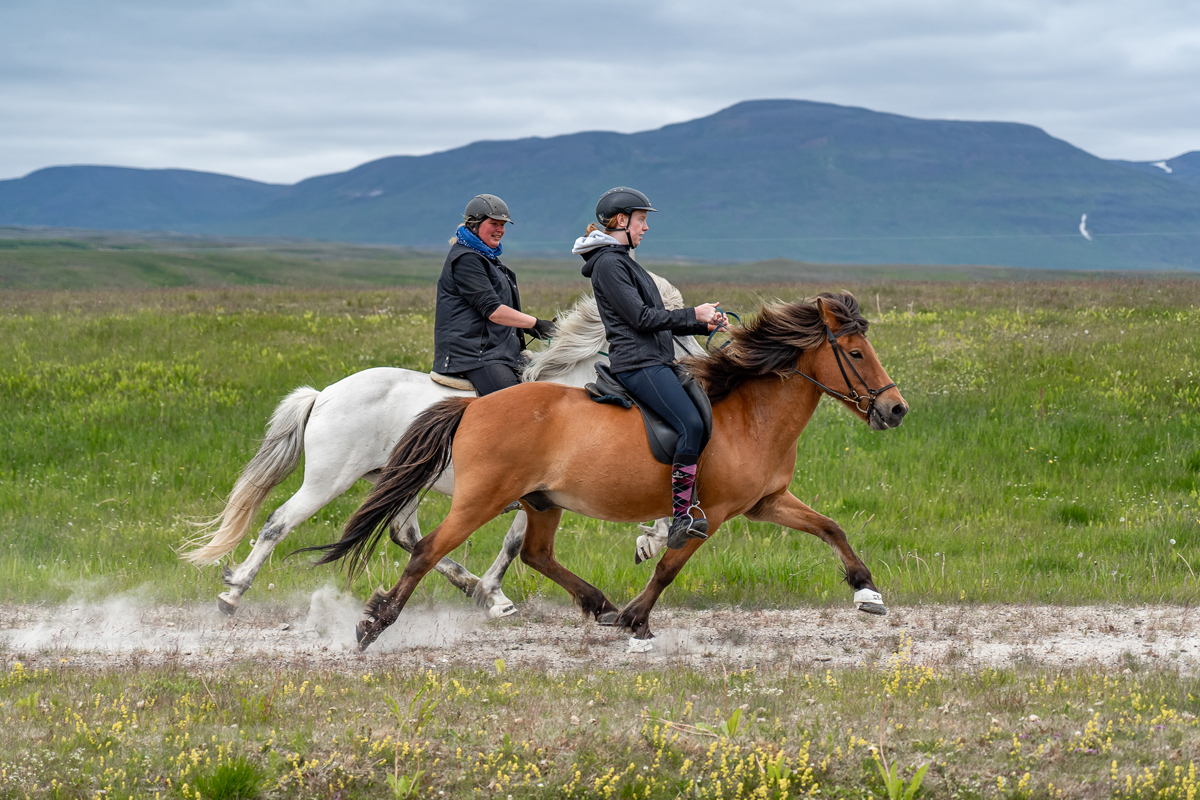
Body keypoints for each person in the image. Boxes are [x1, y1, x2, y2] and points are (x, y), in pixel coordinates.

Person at [574, 187, 727, 548]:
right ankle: (680, 517)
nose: (646, 228)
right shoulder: (611, 264)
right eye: (642, 220)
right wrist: (694, 312)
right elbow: (641, 319)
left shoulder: (621, 259)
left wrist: (700, 324)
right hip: (638, 364)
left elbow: (656, 319)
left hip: (655, 360)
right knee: (690, 423)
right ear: (622, 221)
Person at [433, 194, 555, 395]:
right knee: (516, 405)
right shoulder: (466, 260)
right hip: (474, 356)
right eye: (494, 224)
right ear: (474, 225)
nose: (500, 230)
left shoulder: (487, 259)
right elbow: (493, 311)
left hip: (497, 353)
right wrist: (535, 323)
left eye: (503, 225)